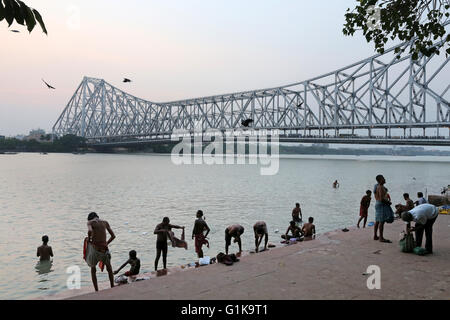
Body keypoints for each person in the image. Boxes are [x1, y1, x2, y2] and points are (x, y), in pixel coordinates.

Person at [85, 212, 116, 291]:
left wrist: (89, 238)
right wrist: (106, 243)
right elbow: (113, 236)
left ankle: (96, 290)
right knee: (109, 268)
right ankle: (112, 286)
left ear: (90, 218)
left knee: (93, 270)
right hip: (104, 250)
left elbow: (90, 231)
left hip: (95, 250)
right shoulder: (105, 222)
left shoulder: (90, 222)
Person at [373, 175, 393, 243]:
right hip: (381, 205)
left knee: (377, 221)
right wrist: (388, 202)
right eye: (383, 178)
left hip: (378, 204)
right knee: (382, 221)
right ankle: (381, 238)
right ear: (380, 180)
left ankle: (375, 236)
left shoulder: (378, 186)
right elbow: (381, 199)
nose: (385, 179)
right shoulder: (380, 187)